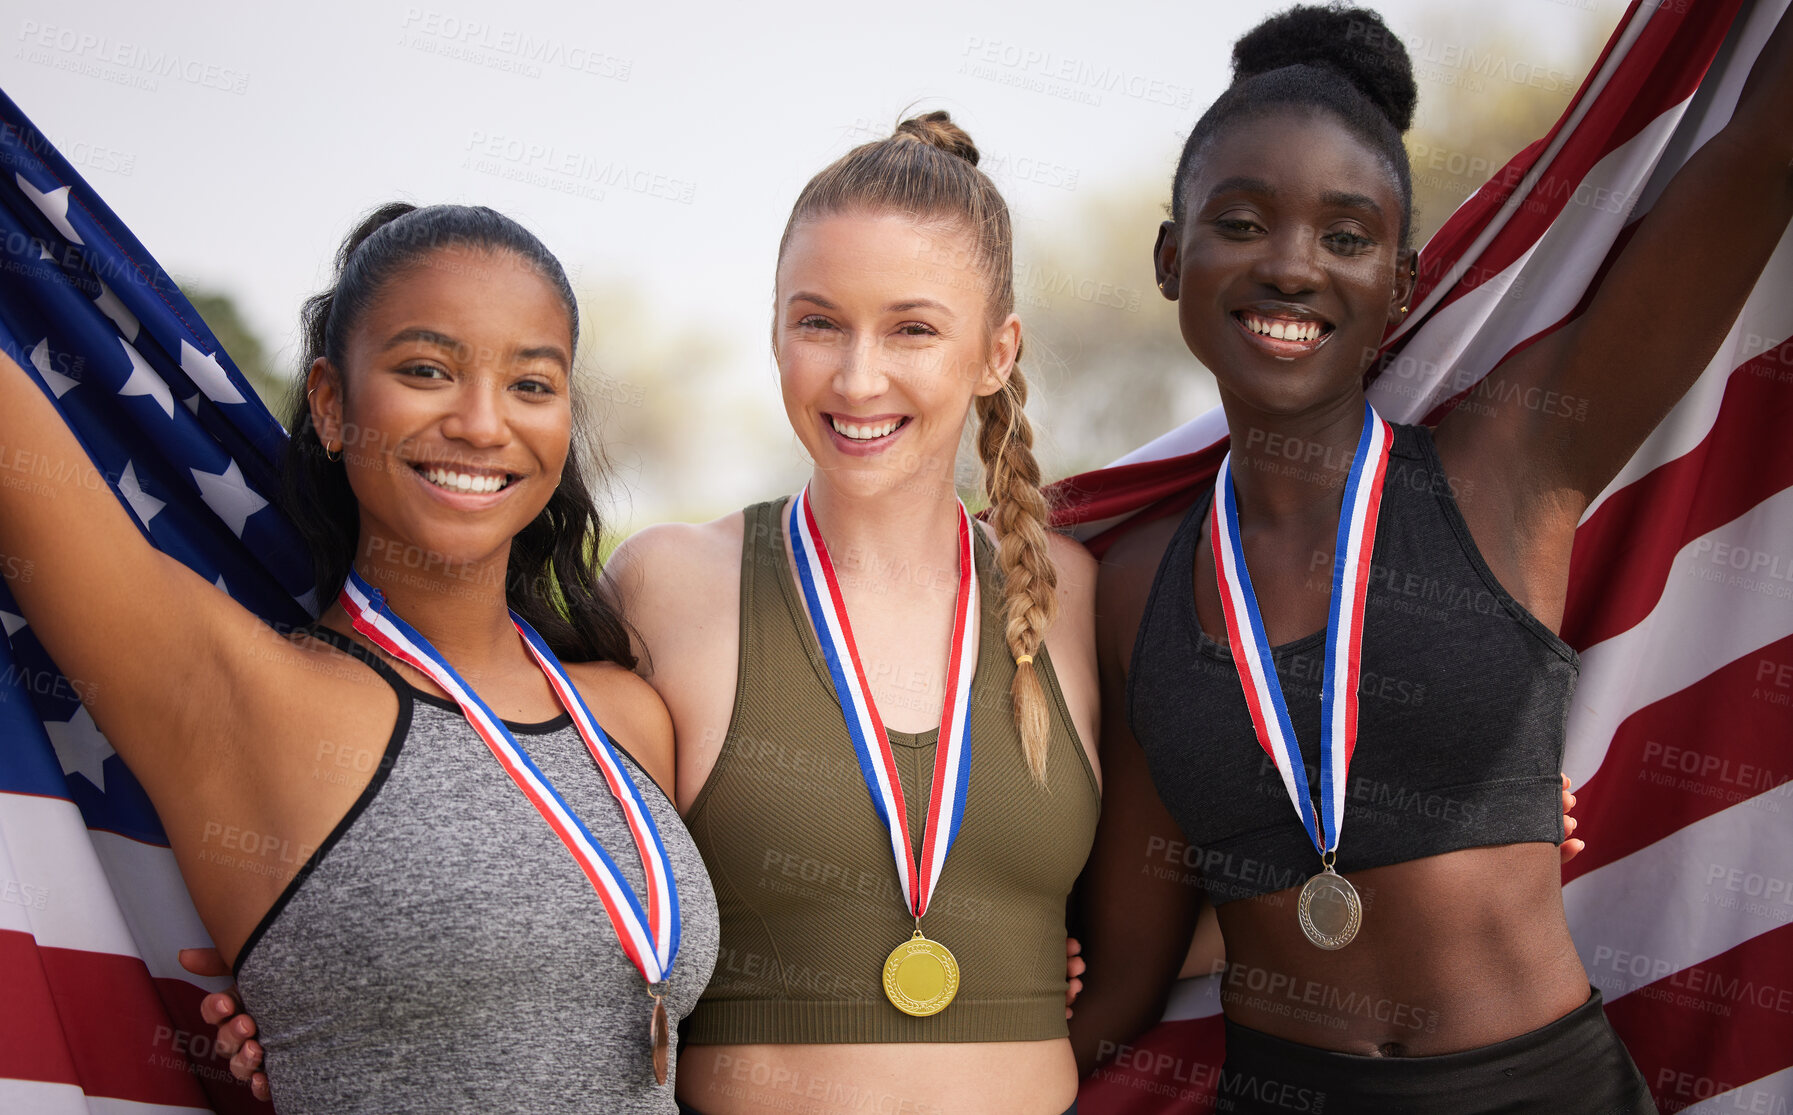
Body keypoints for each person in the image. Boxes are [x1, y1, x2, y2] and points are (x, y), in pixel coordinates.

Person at [1070, 4, 1793, 1112]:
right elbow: (1131, 957)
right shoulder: (1132, 586)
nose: (1291, 266)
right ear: (1172, 258)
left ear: (1402, 286)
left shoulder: (1507, 464)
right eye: (1241, 221)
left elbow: (1758, 158)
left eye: (1345, 236)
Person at [0, 203, 718, 1113]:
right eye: (426, 371)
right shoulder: (241, 694)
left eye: (532, 384)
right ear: (332, 406)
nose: (482, 422)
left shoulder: (631, 714)